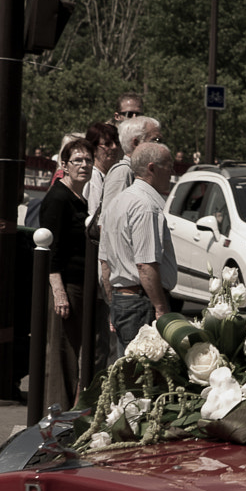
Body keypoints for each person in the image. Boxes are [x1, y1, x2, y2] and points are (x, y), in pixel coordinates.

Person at [100, 143, 176, 347]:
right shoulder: (146, 207)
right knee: (143, 375)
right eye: (169, 166)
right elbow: (145, 265)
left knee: (126, 373)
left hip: (124, 300)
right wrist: (161, 309)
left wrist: (113, 303)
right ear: (152, 168)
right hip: (143, 304)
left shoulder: (117, 203)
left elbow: (105, 264)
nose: (172, 172)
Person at [38, 135, 93, 408]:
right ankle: (56, 414)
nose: (84, 165)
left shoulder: (79, 198)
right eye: (77, 161)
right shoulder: (58, 199)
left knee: (74, 351)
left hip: (81, 283)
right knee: (63, 352)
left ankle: (69, 408)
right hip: (67, 284)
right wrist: (59, 292)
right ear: (65, 165)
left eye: (88, 160)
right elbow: (52, 250)